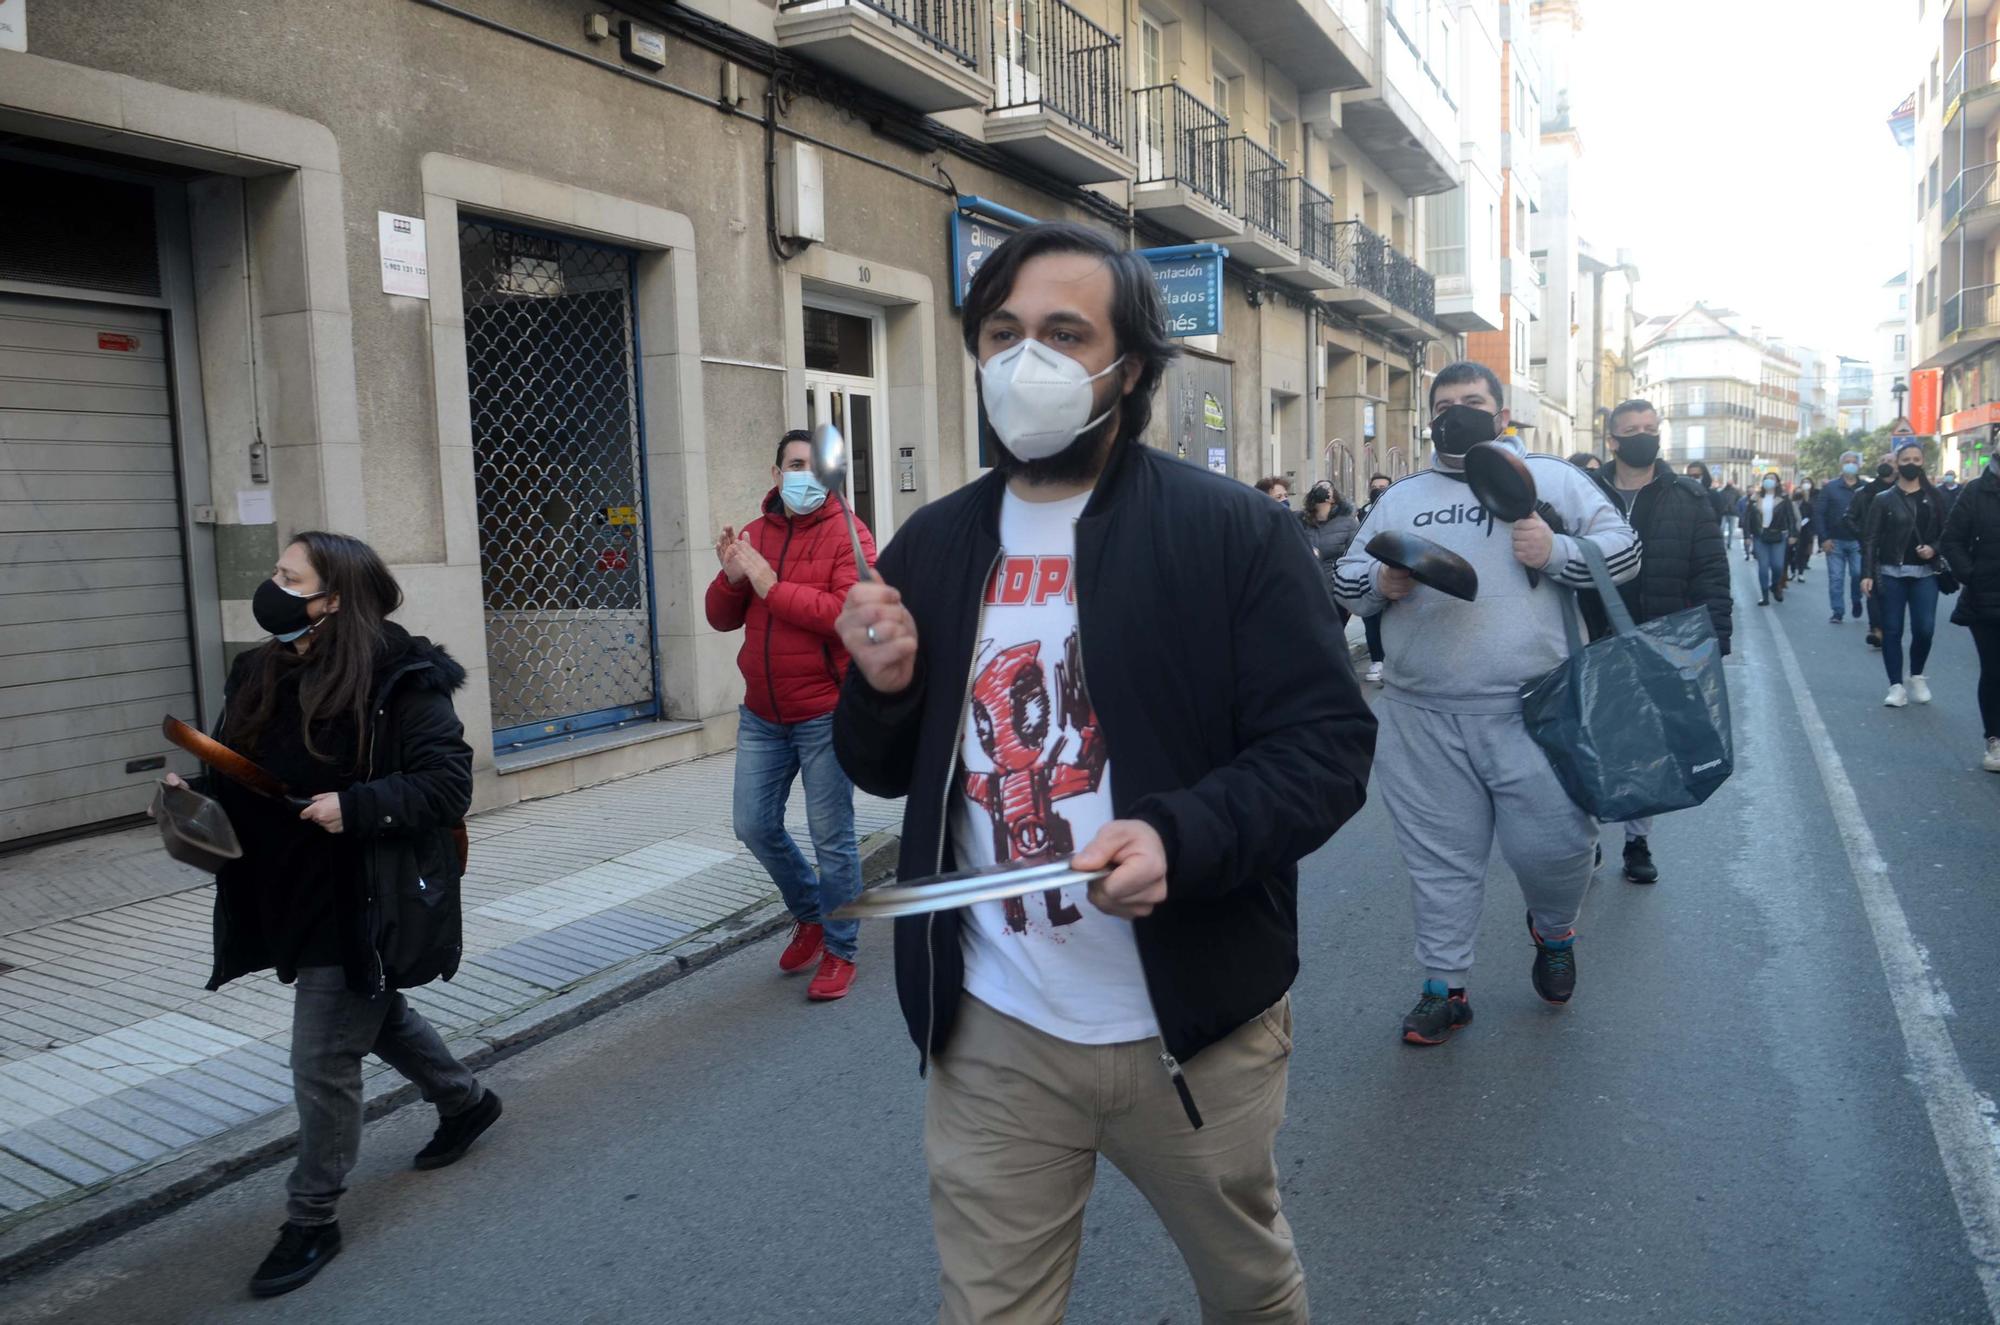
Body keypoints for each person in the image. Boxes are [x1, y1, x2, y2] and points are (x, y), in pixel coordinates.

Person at [832, 222, 1375, 1324]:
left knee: (1249, 1289)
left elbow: (1324, 746)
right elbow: (879, 769)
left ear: (1127, 369)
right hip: (991, 1027)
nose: (1023, 360)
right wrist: (881, 686)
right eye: (1001, 332)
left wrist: (1182, 834)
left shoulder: (1233, 535)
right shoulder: (932, 545)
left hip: (1190, 1029)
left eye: (1062, 333)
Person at [163, 532, 495, 1298]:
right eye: (275, 571)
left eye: (289, 576)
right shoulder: (259, 667)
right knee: (370, 1015)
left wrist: (357, 804)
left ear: (334, 598)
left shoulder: (400, 676)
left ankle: (312, 1216)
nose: (271, 587)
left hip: (364, 897)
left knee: (322, 1055)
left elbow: (447, 786)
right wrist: (196, 799)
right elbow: (238, 770)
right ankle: (465, 1100)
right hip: (283, 889)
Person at [1333, 359, 1639, 1046]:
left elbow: (1626, 552)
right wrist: (1382, 580)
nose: (1456, 414)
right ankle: (1446, 986)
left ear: (1502, 413)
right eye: (1444, 405)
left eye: (1472, 402)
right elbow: (1347, 578)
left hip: (1537, 707)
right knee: (1440, 859)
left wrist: (1558, 549)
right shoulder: (1401, 497)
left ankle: (1553, 929)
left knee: (1555, 850)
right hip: (1421, 714)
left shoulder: (1553, 480)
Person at [705, 430, 876, 1002]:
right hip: (762, 713)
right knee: (753, 825)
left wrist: (768, 584)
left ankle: (841, 950)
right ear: (776, 473)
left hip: (825, 710)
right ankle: (810, 912)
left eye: (813, 466)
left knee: (833, 838)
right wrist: (732, 577)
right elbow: (720, 617)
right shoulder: (754, 534)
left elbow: (842, 615)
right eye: (793, 465)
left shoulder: (851, 535)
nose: (802, 475)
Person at [1592, 400, 1732, 886]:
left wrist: (1715, 640)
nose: (1642, 436)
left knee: (1646, 745)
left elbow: (1712, 572)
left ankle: (1637, 840)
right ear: (1612, 439)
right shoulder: (1585, 493)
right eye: (1631, 430)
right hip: (1594, 637)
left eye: (1650, 429)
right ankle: (1586, 838)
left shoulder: (1689, 497)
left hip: (1661, 636)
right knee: (1590, 739)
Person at [1862, 440, 1948, 708]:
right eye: (1906, 459)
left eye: (1916, 459)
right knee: (1892, 630)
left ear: (1923, 463)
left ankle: (1917, 675)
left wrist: (1933, 549)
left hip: (1925, 573)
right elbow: (1871, 538)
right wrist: (1866, 573)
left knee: (1925, 629)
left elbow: (1948, 533)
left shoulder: (1935, 498)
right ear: (1896, 464)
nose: (1911, 464)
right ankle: (1895, 686)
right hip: (1890, 573)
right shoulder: (1882, 499)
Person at [1940, 451, 2000, 771]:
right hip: (1986, 598)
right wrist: (1970, 575)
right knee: (1994, 670)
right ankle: (1995, 739)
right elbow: (1951, 539)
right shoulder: (1976, 492)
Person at [1851, 454, 1900, 648]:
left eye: (1889, 461)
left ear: (1897, 466)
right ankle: (1876, 630)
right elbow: (1849, 518)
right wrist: (1864, 535)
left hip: (1898, 550)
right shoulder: (1864, 492)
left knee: (1893, 592)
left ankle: (1889, 628)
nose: (1885, 465)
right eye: (1881, 461)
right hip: (1872, 549)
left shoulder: (1905, 491)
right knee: (1872, 589)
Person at [1815, 450, 1869, 624]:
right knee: (1836, 578)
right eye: (1847, 461)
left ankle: (1856, 599)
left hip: (1858, 541)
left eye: (1854, 461)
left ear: (1859, 465)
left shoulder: (1866, 488)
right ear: (1841, 465)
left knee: (1858, 573)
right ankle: (1837, 611)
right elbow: (1819, 514)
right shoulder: (1830, 488)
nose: (1850, 464)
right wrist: (1824, 538)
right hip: (1834, 541)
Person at [1299, 480, 1361, 622]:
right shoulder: (1300, 520)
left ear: (1334, 497)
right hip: (1305, 591)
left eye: (1327, 488)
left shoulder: (1348, 523)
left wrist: (1349, 598)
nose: (1322, 490)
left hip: (1334, 593)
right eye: (1318, 488)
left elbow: (1354, 558)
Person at [1741, 471, 1797, 606]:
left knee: (1778, 566)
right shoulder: (1755, 498)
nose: (1769, 481)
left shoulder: (1784, 498)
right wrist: (1747, 536)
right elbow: (1747, 518)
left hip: (1778, 535)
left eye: (1772, 478)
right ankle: (1764, 595)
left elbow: (1791, 517)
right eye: (1766, 478)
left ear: (1777, 482)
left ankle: (1775, 585)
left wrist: (1793, 534)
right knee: (1763, 567)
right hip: (1760, 536)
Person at [1358, 473, 1394, 683]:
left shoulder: (1402, 509)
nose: (1378, 490)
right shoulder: (1362, 513)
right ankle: (1377, 659)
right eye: (1375, 487)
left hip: (1394, 571)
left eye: (1383, 487)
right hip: (1370, 571)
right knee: (1371, 619)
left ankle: (1392, 660)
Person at [1790, 478, 1816, 581]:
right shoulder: (1790, 504)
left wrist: (1804, 523)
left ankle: (1800, 573)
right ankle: (1792, 572)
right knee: (1791, 554)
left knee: (1801, 553)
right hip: (1793, 532)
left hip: (1804, 532)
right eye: (1797, 492)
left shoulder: (1808, 505)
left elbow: (1811, 517)